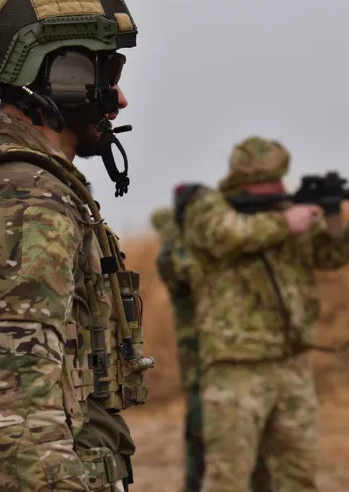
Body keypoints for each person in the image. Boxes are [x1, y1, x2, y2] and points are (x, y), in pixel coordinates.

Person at [0, 0, 153, 491]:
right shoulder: (29, 199)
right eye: (108, 74)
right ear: (62, 76)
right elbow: (14, 399)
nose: (119, 99)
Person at [179, 136, 349, 492]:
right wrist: (284, 224)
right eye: (270, 179)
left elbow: (327, 254)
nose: (280, 186)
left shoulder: (288, 211)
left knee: (298, 477)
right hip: (236, 367)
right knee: (228, 479)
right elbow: (223, 235)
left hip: (291, 364)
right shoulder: (209, 208)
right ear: (245, 180)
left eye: (281, 177)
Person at [151, 199, 272, 492]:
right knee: (203, 445)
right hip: (201, 368)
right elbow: (186, 265)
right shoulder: (176, 257)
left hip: (226, 363)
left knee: (249, 449)